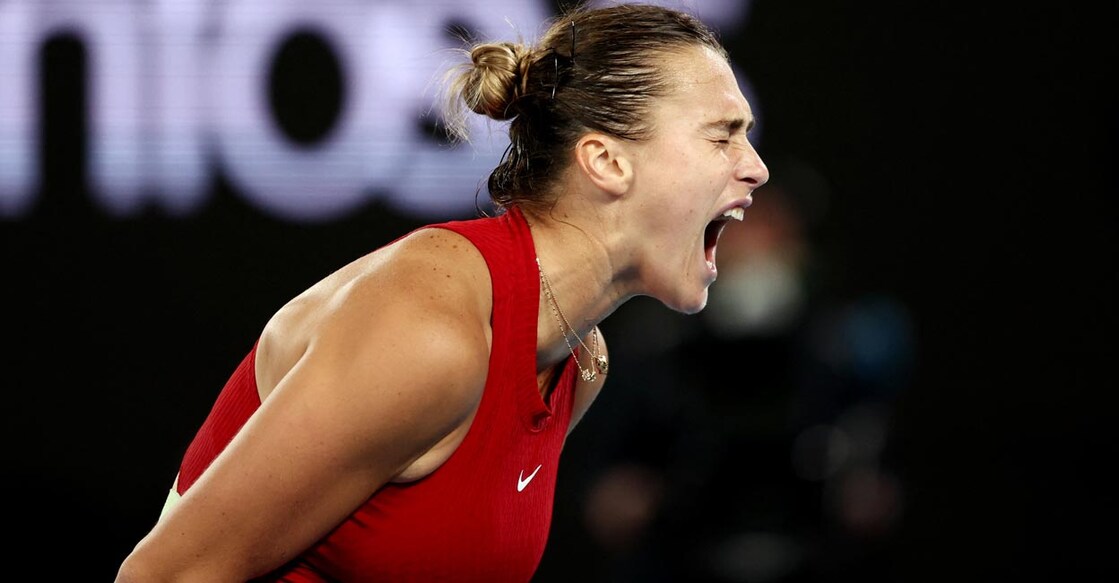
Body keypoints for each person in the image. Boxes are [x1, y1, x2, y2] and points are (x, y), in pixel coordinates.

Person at [115, 2, 769, 581]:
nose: (755, 167)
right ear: (605, 161)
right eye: (721, 135)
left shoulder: (578, 358)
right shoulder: (431, 334)